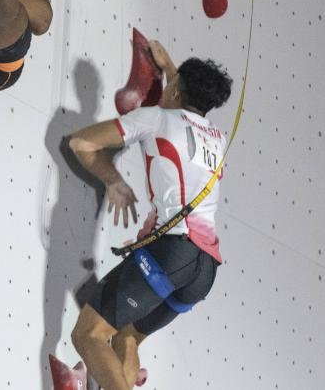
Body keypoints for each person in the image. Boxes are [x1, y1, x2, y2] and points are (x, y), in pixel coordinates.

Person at [63, 41, 233, 389]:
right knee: (126, 335)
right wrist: (171, 68)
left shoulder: (155, 118)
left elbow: (82, 143)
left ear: (176, 90)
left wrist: (114, 181)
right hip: (204, 270)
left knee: (89, 335)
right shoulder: (217, 138)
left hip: (172, 253)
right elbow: (187, 107)